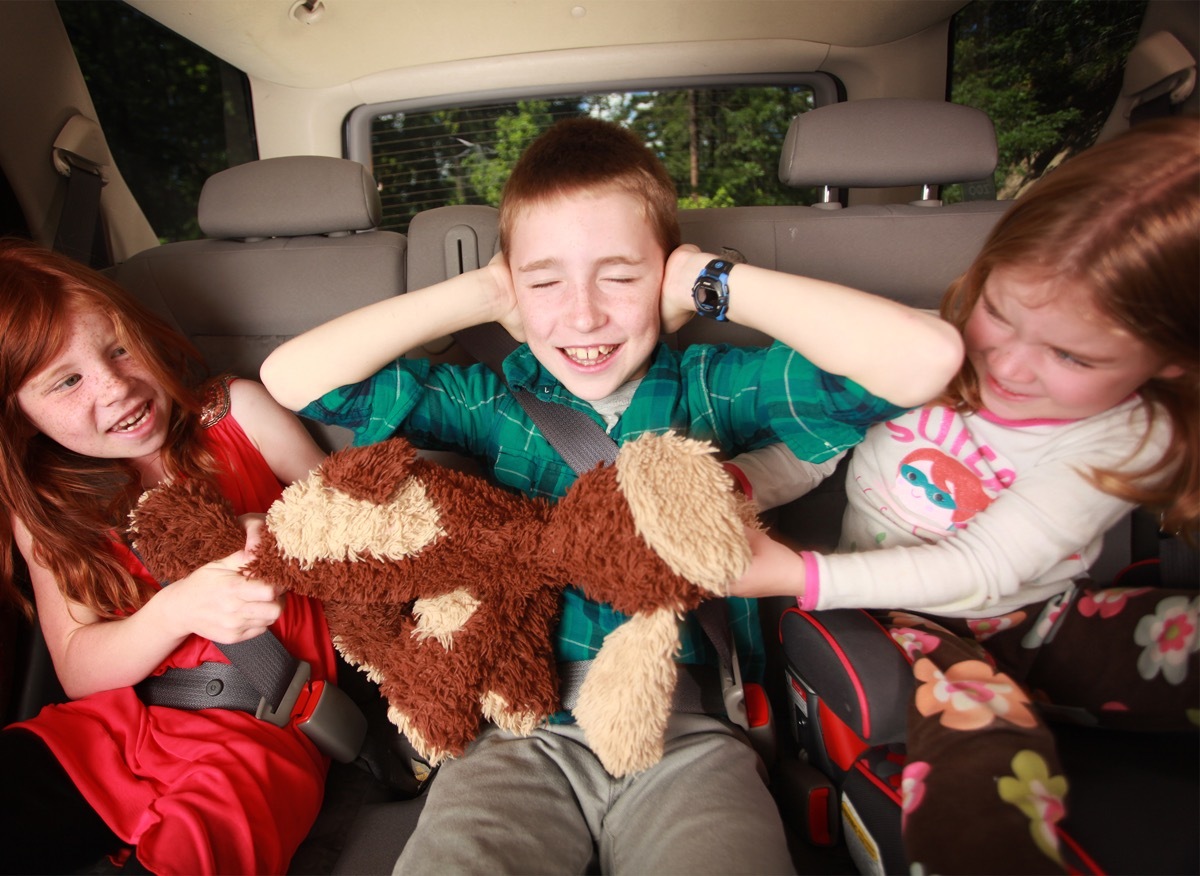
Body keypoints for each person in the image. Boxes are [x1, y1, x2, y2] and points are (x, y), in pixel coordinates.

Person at [260, 116, 963, 874]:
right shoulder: (494, 402)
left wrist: (711, 281)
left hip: (685, 730)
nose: (584, 314)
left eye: (621, 276)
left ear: (665, 279)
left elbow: (926, 360)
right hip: (515, 729)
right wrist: (481, 290)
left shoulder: (709, 390)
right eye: (545, 281)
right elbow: (295, 381)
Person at [732, 116, 1200, 873]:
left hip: (1042, 612)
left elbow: (988, 569)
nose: (1009, 365)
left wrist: (800, 574)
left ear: (1171, 360)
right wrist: (746, 482)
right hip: (910, 622)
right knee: (986, 750)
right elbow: (821, 448)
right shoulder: (927, 352)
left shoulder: (1131, 433)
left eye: (1071, 355)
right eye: (1000, 314)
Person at [0, 239, 337, 875]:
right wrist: (174, 610)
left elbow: (366, 534)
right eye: (68, 381)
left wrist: (286, 535)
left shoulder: (237, 414)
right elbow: (78, 669)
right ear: (18, 417)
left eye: (119, 348)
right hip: (108, 732)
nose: (118, 387)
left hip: (261, 729)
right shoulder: (45, 506)